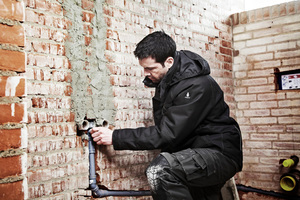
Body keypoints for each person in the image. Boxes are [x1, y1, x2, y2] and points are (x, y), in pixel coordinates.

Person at [91, 31, 243, 200]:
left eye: (150, 68)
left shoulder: (196, 85)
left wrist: (116, 137)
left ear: (169, 61)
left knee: (161, 170)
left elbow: (167, 133)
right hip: (195, 154)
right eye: (144, 68)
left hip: (218, 154)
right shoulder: (168, 82)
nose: (146, 73)